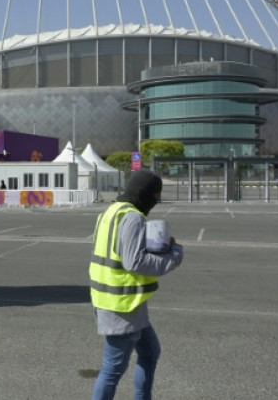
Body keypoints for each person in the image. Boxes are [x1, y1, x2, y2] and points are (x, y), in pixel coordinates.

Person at [89, 169, 184, 399]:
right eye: (154, 196)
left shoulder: (111, 211)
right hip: (121, 305)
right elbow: (135, 261)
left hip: (121, 301)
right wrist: (173, 254)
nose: (155, 201)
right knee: (113, 368)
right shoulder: (132, 217)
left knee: (150, 352)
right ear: (145, 194)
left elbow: (121, 253)